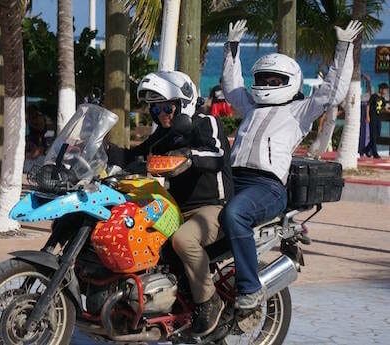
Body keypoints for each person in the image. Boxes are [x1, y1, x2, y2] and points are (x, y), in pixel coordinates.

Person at [220, 19, 363, 310]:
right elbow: (232, 85)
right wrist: (231, 48)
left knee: (235, 215)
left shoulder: (300, 110)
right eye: (264, 79)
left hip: (267, 187)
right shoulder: (250, 106)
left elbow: (333, 91)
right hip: (232, 180)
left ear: (290, 82)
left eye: (276, 81)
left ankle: (249, 288)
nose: (268, 85)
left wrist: (344, 47)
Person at [107, 70, 234, 337]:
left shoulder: (205, 122)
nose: (161, 114)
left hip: (213, 207)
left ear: (183, 102)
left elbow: (216, 154)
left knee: (182, 240)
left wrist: (188, 156)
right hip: (175, 207)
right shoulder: (167, 132)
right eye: (155, 110)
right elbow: (136, 154)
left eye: (166, 107)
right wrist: (104, 151)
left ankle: (209, 301)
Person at [363, 82, 389, 158]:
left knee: (377, 135)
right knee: (373, 136)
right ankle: (375, 153)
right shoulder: (374, 96)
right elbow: (368, 105)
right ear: (381, 89)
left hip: (379, 119)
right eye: (385, 90)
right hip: (373, 118)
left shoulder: (383, 99)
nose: (386, 92)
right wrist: (367, 116)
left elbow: (384, 109)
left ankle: (366, 149)